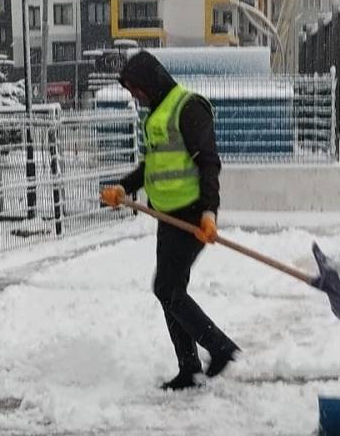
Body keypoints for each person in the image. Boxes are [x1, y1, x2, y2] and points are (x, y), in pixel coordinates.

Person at [99, 51, 240, 391]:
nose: (135, 96)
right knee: (168, 289)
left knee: (167, 288)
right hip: (167, 215)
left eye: (136, 89)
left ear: (151, 81)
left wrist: (209, 212)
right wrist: (124, 187)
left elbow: (209, 163)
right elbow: (154, 166)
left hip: (191, 215)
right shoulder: (157, 114)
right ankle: (189, 367)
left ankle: (219, 347)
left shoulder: (188, 107)